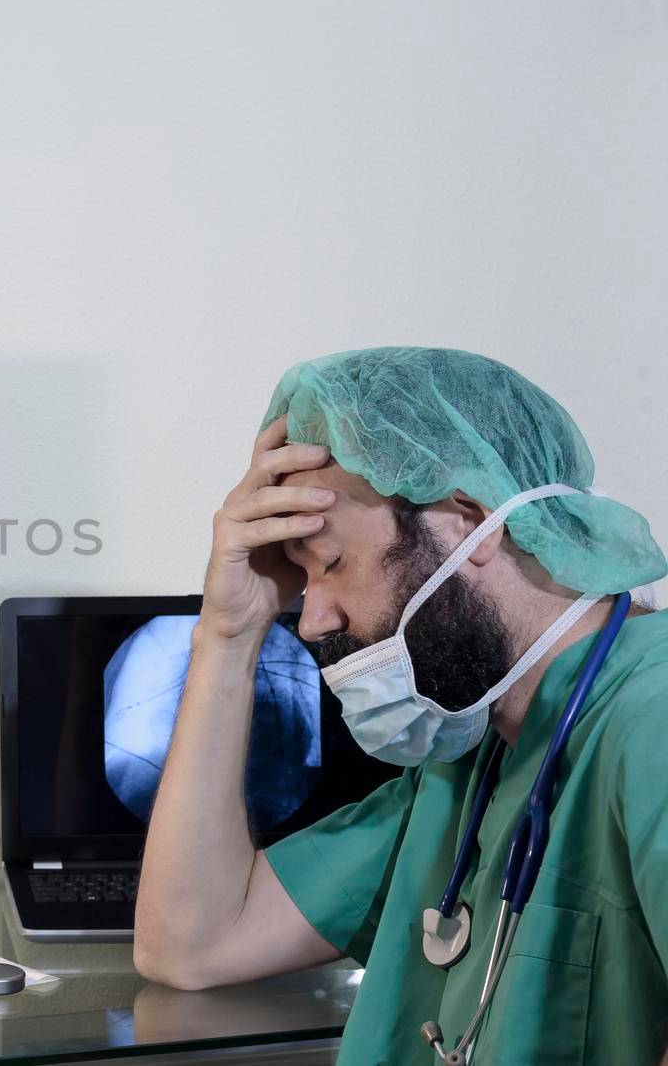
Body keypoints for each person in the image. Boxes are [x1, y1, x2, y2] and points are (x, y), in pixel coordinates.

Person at [133, 347, 668, 1064]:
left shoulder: (651, 718)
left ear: (470, 519)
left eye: (330, 565)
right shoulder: (470, 765)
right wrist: (228, 634)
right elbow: (191, 945)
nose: (312, 620)